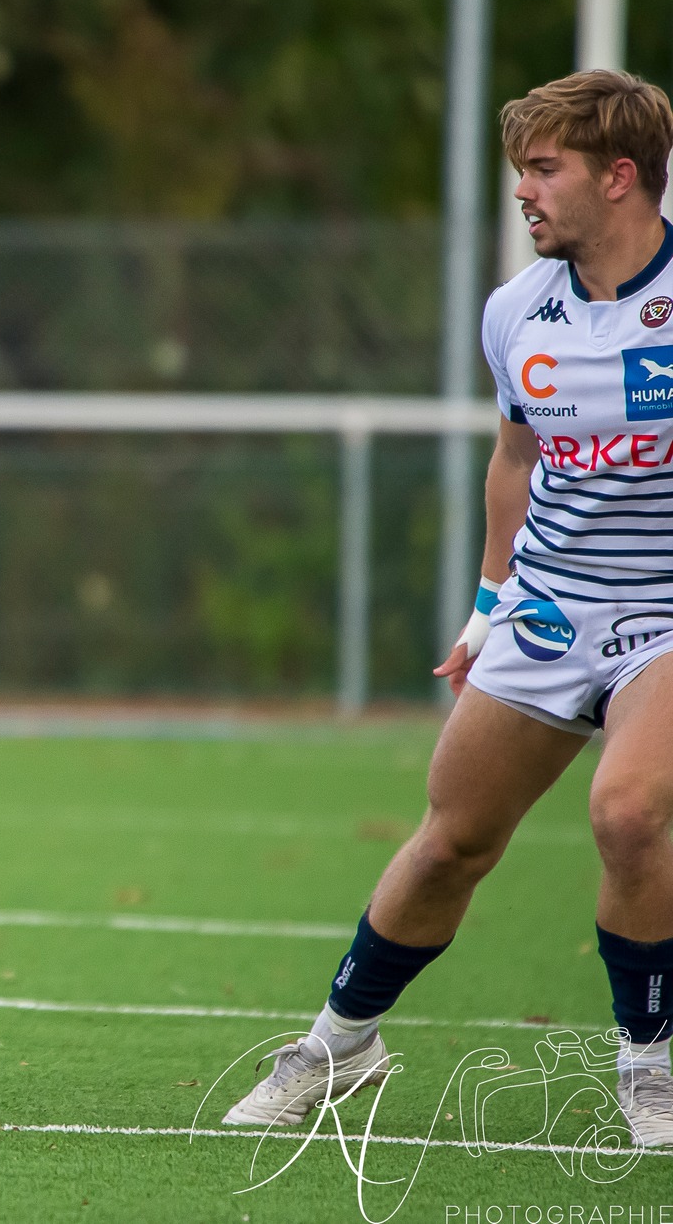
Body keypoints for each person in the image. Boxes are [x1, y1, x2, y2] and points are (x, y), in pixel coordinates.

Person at [223, 69, 673, 1148]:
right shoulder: (515, 310)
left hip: (665, 613)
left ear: (619, 177)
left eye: (543, 169)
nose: (522, 191)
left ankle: (648, 1065)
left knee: (624, 813)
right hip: (549, 608)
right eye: (520, 169)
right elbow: (514, 461)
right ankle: (339, 1043)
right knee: (449, 843)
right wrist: (486, 605)